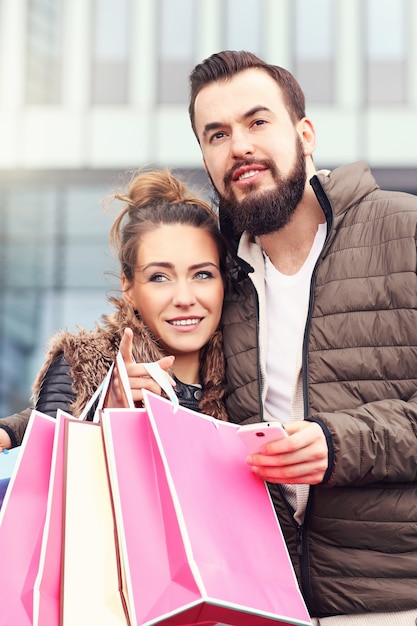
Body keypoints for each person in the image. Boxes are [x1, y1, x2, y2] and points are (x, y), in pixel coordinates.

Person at [188, 50, 417, 624]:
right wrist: (17, 428)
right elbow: (119, 356)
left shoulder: (405, 232)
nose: (238, 145)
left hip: (395, 599)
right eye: (217, 134)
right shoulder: (217, 279)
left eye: (257, 121)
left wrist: (340, 443)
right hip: (265, 600)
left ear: (305, 134)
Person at [0, 168, 228, 450]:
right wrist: (103, 419)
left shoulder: (249, 379)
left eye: (202, 274)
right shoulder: (82, 367)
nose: (184, 297)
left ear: (223, 281)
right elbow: (50, 478)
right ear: (129, 287)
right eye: (159, 277)